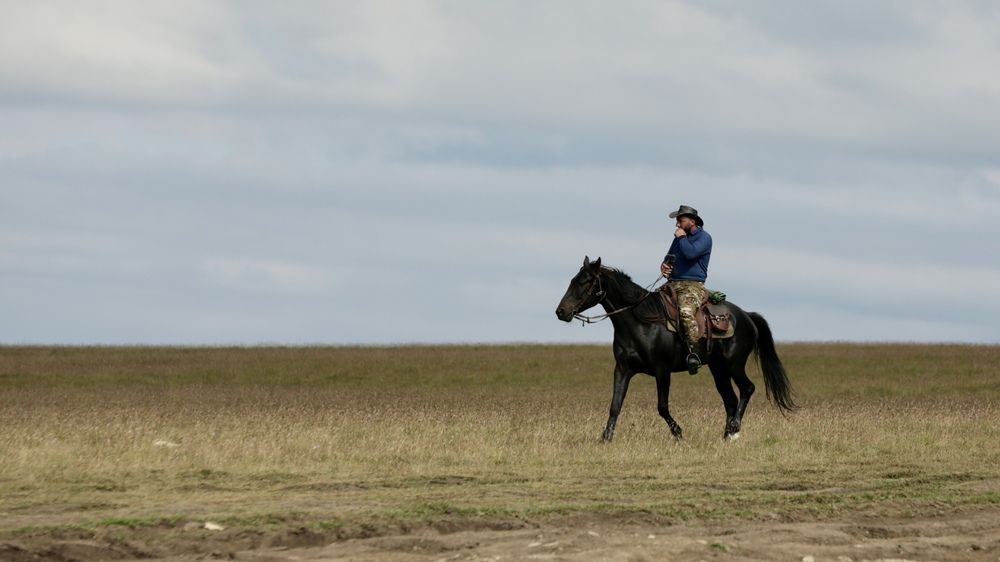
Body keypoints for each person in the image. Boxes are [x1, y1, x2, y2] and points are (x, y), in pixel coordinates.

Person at [659, 205, 712, 374]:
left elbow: (690, 253)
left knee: (686, 311)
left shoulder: (704, 238)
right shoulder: (678, 239)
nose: (677, 225)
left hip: (692, 285)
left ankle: (693, 353)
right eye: (677, 222)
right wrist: (665, 266)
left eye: (680, 221)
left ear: (692, 221)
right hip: (672, 283)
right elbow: (669, 257)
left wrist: (681, 238)